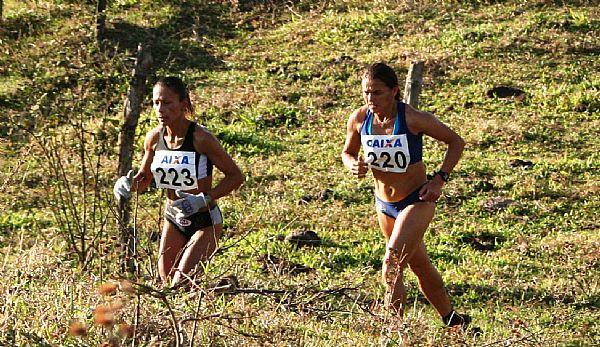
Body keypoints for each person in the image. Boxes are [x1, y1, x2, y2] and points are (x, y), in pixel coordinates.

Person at [341, 62, 469, 328]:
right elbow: (348, 152)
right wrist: (352, 164)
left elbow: (456, 141)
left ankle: (394, 330)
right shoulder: (360, 118)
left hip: (416, 201)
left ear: (394, 91)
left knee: (392, 262)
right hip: (384, 205)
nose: (370, 99)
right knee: (419, 265)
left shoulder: (411, 117)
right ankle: (453, 320)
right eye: (366, 92)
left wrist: (439, 179)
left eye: (376, 93)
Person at [114, 76, 244, 287]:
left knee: (181, 284)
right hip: (174, 216)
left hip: (204, 219)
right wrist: (125, 186)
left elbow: (236, 177)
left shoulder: (201, 138)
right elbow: (144, 180)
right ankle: (221, 288)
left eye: (167, 103)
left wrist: (203, 199)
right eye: (156, 102)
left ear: (183, 104)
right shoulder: (154, 138)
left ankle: (225, 289)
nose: (160, 109)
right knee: (166, 282)